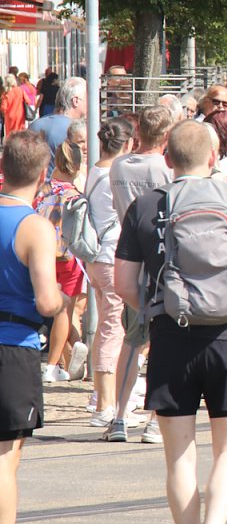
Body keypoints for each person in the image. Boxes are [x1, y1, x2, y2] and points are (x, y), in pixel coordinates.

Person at [114, 120, 227, 524]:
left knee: (179, 457)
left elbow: (123, 284)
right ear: (213, 157)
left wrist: (160, 310)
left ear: (167, 159)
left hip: (171, 337)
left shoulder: (146, 207)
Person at [0, 130, 68, 524]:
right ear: (44, 175)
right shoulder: (36, 227)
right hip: (13, 345)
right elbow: (46, 301)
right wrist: (63, 301)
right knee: (5, 459)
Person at [105, 105, 175, 444]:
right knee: (164, 341)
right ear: (166, 136)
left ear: (137, 133)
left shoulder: (119, 166)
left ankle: (119, 416)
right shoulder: (164, 168)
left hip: (129, 258)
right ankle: (154, 421)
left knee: (132, 342)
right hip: (162, 261)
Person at [84, 118, 136, 428]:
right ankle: (106, 404)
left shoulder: (95, 171)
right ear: (127, 144)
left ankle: (101, 397)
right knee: (113, 329)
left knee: (107, 325)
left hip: (96, 258)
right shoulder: (114, 176)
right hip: (111, 256)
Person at [34, 141, 90, 383]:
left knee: (59, 310)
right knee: (65, 311)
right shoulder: (76, 196)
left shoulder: (43, 190)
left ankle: (73, 349)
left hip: (45, 254)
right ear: (77, 167)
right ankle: (53, 365)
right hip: (69, 257)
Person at [29, 76, 87, 173]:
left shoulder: (35, 125)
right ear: (76, 101)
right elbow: (79, 168)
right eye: (87, 99)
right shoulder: (75, 132)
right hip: (64, 180)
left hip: (35, 181)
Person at [0, 74, 26, 139]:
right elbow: (27, 100)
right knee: (20, 134)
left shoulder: (6, 93)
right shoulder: (20, 90)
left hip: (9, 116)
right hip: (20, 115)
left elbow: (3, 108)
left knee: (10, 135)